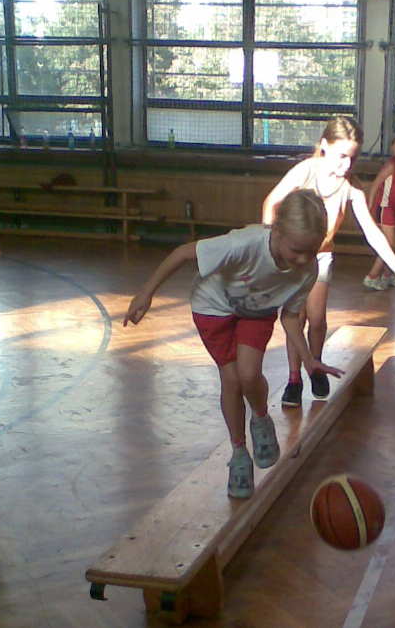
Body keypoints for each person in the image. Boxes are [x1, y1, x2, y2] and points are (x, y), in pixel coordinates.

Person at [124, 189, 343, 500]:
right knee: (231, 379)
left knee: (249, 375)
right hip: (213, 308)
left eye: (312, 251)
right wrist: (146, 293)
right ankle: (239, 453)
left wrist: (307, 358)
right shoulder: (243, 244)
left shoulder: (307, 269)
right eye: (297, 250)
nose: (303, 259)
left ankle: (261, 418)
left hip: (257, 311)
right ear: (277, 231)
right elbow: (183, 253)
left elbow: (291, 316)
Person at [262, 116, 395, 408]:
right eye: (342, 156)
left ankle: (316, 366)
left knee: (317, 319)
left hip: (320, 256)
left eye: (353, 158)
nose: (347, 165)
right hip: (293, 257)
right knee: (295, 317)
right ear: (324, 146)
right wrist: (270, 247)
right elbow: (271, 203)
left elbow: (371, 230)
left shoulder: (351, 187)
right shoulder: (305, 171)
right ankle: (294, 378)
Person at [363, 131, 395, 290]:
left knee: (391, 242)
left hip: (394, 207)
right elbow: (375, 184)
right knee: (389, 244)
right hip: (384, 207)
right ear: (392, 148)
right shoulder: (391, 165)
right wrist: (369, 207)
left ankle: (387, 275)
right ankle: (372, 276)